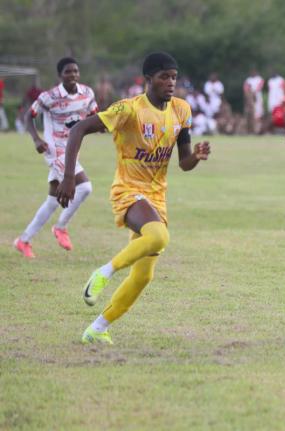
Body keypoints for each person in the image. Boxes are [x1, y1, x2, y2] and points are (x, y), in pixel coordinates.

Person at [56, 52, 211, 344]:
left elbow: (184, 162)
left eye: (174, 77)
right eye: (164, 76)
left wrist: (197, 157)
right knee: (159, 237)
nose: (171, 83)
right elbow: (78, 129)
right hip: (128, 190)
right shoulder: (128, 109)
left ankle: (97, 329)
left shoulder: (181, 110)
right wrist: (68, 177)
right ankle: (104, 272)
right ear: (148, 79)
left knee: (143, 277)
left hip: (157, 197)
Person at [14, 57, 98, 258]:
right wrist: (36, 139)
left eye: (76, 71)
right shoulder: (49, 96)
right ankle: (60, 227)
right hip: (55, 151)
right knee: (85, 187)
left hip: (73, 149)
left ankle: (23, 241)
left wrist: (102, 126)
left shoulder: (87, 93)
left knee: (52, 201)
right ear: (60, 75)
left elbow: (95, 115)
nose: (73, 75)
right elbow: (29, 116)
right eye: (68, 72)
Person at [243, 68, 264, 134]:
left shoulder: (259, 79)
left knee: (258, 113)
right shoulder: (248, 80)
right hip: (250, 99)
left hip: (257, 98)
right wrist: (249, 95)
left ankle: (257, 129)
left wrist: (254, 93)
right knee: (249, 115)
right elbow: (245, 88)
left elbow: (259, 87)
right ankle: (250, 129)